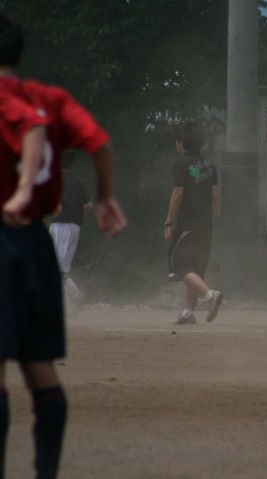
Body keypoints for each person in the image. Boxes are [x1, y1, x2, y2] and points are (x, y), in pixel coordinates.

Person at [0, 12, 127, 479]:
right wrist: (106, 197)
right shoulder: (50, 99)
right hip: (36, 240)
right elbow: (100, 145)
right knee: (41, 370)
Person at [165, 122, 223, 325]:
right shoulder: (210, 166)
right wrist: (211, 224)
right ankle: (189, 313)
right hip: (205, 224)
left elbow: (177, 194)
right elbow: (214, 197)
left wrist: (168, 223)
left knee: (178, 263)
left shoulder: (181, 164)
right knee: (195, 268)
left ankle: (210, 295)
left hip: (188, 224)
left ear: (181, 143)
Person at [48, 151, 92, 314]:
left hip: (60, 226)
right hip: (75, 227)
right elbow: (88, 205)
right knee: (62, 270)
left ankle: (71, 301)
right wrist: (73, 209)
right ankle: (75, 298)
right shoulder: (78, 181)